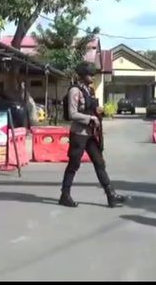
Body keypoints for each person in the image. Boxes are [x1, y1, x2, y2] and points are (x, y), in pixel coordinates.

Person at [59, 61, 127, 208]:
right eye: (90, 74)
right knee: (74, 164)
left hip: (90, 134)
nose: (92, 77)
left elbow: (92, 108)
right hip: (78, 133)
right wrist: (90, 118)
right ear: (83, 75)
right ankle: (65, 195)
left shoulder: (89, 90)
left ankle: (111, 195)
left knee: (99, 162)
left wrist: (98, 111)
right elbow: (72, 114)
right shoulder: (74, 91)